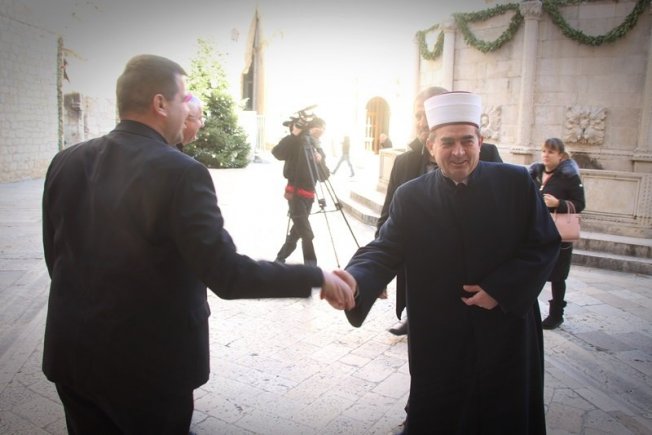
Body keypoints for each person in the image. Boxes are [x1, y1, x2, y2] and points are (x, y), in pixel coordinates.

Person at [41, 54, 354, 434]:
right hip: (147, 370)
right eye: (183, 98)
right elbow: (228, 275)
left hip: (72, 357)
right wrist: (316, 276)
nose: (187, 108)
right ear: (160, 104)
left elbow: (56, 257)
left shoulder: (66, 160)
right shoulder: (181, 172)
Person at [335, 91, 560, 434]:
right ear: (431, 146)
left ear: (480, 142)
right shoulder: (411, 196)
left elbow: (543, 243)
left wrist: (500, 289)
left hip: (505, 331)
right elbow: (385, 248)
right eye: (448, 142)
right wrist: (356, 279)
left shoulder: (515, 183)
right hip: (439, 335)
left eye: (467, 141)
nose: (458, 151)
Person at [378, 86, 503, 337]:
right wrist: (380, 271)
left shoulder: (488, 157)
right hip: (423, 266)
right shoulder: (404, 162)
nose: (421, 122)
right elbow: (388, 217)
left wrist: (502, 287)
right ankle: (411, 317)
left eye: (426, 114)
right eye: (417, 115)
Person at [529, 137, 586, 329]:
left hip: (559, 235)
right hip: (537, 231)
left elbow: (580, 204)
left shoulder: (569, 176)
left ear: (560, 156)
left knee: (557, 276)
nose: (546, 155)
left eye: (551, 152)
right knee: (532, 271)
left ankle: (556, 315)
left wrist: (558, 203)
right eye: (544, 151)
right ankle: (529, 311)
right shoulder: (534, 173)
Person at [273, 117, 329, 266]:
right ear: (311, 128)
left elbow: (324, 176)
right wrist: (294, 134)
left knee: (297, 231)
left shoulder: (316, 146)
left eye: (324, 128)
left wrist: (320, 161)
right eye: (319, 127)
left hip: (309, 196)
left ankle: (280, 258)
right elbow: (277, 153)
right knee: (306, 233)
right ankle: (311, 267)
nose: (322, 131)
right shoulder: (295, 143)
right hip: (295, 194)